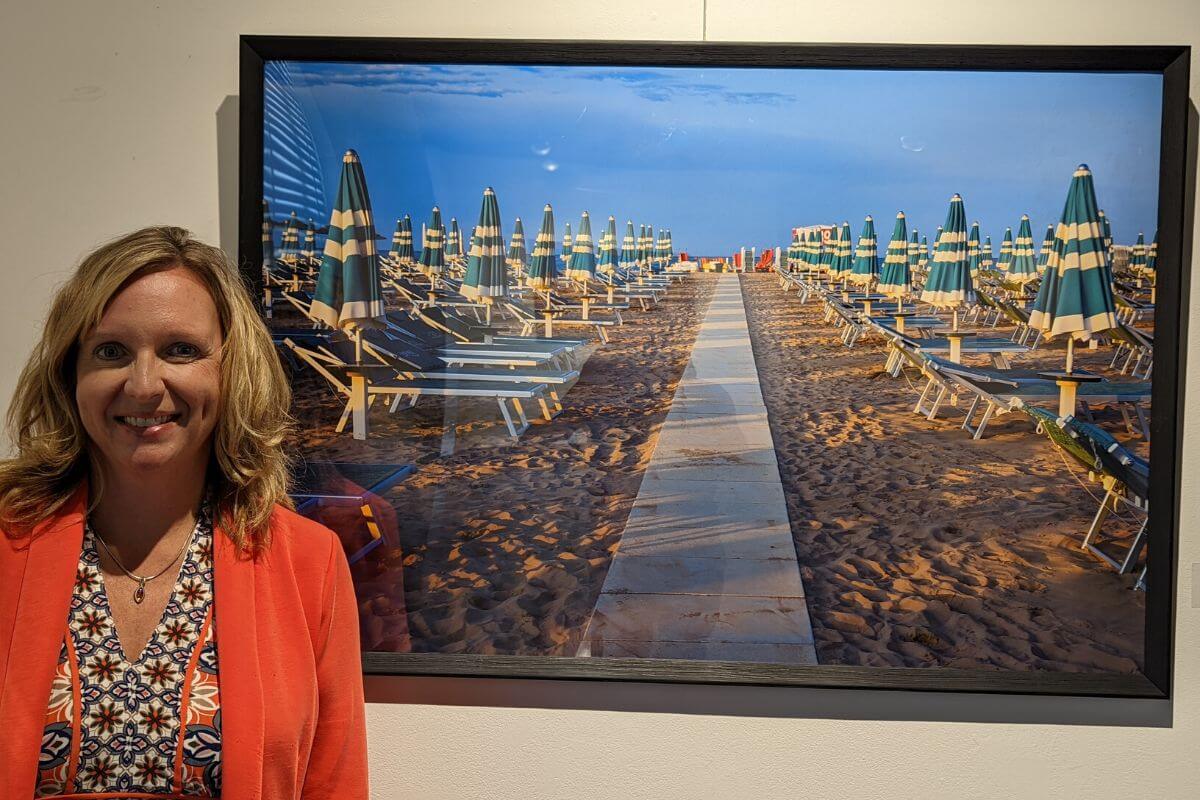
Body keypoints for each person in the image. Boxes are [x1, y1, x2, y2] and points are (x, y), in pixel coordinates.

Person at [0, 226, 369, 798]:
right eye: (111, 352)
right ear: (70, 373)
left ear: (229, 371)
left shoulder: (307, 562)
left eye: (181, 350)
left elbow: (334, 782)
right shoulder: (7, 544)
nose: (144, 385)